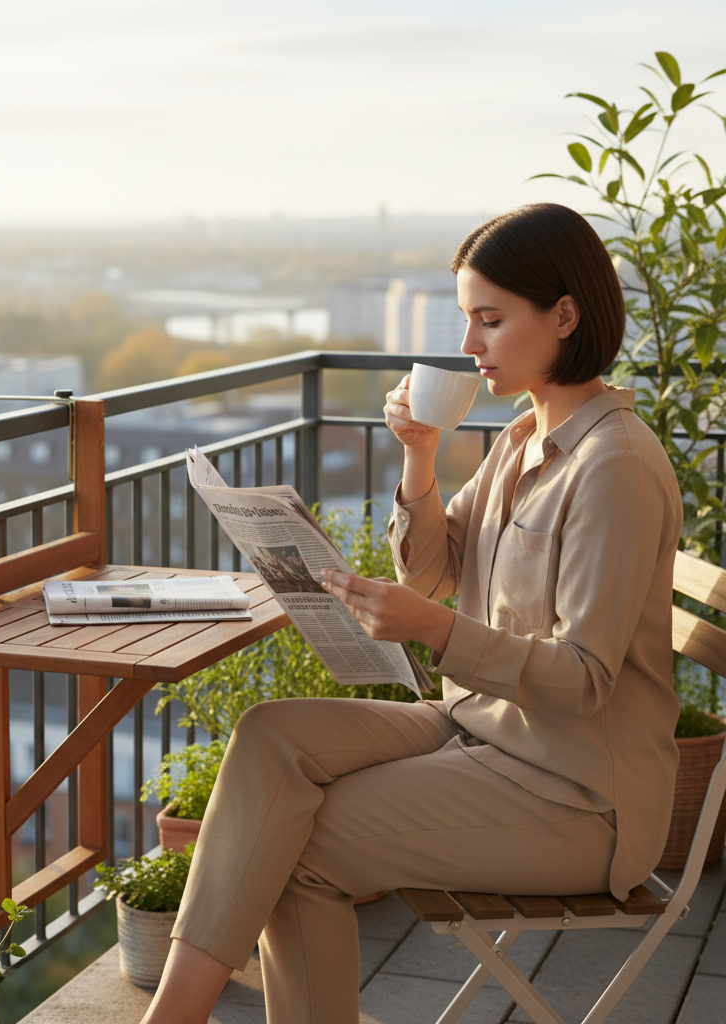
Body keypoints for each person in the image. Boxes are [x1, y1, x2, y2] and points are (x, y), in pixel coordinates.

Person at [137, 204, 683, 1024]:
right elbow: (431, 570)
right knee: (269, 736)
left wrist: (431, 629)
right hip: (481, 730)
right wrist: (420, 455)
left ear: (564, 316)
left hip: (578, 795)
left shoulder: (614, 466)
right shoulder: (519, 441)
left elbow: (586, 681)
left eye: (490, 321)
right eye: (469, 320)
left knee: (297, 849)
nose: (470, 346)